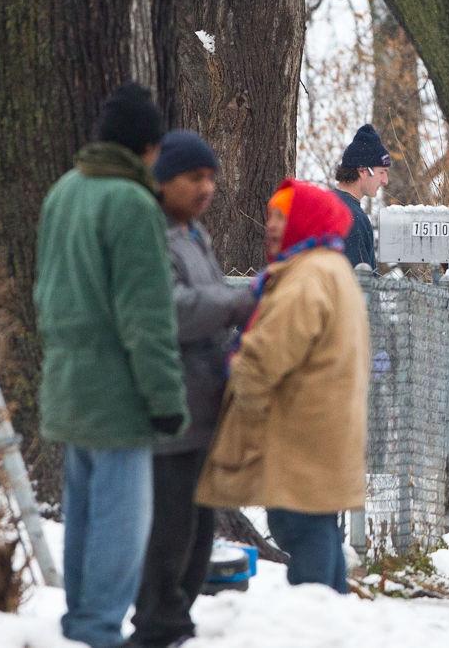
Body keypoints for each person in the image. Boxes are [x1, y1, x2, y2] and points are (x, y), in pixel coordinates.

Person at [34, 82, 188, 648]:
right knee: (121, 522)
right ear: (147, 148)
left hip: (68, 380)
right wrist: (166, 400)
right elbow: (147, 317)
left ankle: (81, 623)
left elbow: (45, 289)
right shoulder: (131, 204)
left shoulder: (64, 192)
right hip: (119, 390)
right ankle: (98, 629)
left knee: (82, 513)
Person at [196, 179, 368, 593]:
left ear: (304, 220)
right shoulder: (327, 267)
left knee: (298, 524)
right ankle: (331, 618)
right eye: (271, 215)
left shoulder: (306, 277)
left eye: (282, 216)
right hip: (320, 430)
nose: (271, 225)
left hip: (301, 433)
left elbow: (268, 355)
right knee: (317, 527)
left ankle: (314, 622)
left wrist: (234, 383)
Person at [129, 131, 256, 648]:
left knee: (199, 525)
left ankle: (177, 617)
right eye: (193, 178)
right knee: (170, 525)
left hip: (205, 404)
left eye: (211, 178)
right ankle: (158, 621)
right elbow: (170, 310)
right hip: (172, 406)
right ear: (164, 181)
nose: (205, 188)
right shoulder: (154, 236)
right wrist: (234, 303)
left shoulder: (194, 234)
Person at [333, 124, 391, 269]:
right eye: (382, 172)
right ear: (363, 171)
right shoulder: (352, 218)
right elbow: (361, 284)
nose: (385, 181)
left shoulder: (327, 204)